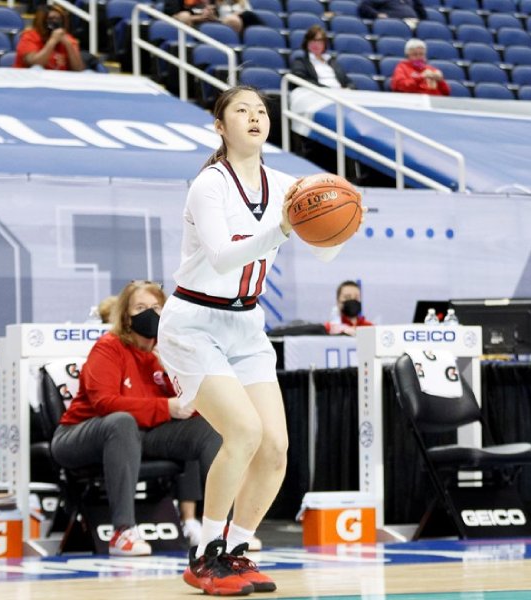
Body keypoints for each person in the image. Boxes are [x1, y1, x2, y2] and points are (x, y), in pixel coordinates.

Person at [157, 85, 353, 595]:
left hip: (245, 325)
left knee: (275, 447)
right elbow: (223, 257)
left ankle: (237, 550)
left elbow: (327, 252)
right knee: (242, 432)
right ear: (220, 127)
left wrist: (342, 220)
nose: (254, 117)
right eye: (241, 110)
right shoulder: (209, 185)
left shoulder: (288, 184)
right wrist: (286, 226)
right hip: (193, 322)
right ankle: (205, 555)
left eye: (261, 111)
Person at [50, 280, 222, 556]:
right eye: (141, 307)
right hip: (78, 435)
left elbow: (192, 407)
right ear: (126, 316)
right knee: (121, 422)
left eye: (156, 307)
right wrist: (165, 408)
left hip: (140, 435)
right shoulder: (109, 347)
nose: (150, 314)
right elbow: (105, 403)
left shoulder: (166, 353)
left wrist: (171, 373)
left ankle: (218, 530)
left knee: (209, 429)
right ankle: (123, 532)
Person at [14, 5, 84, 71]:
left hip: (60, 80)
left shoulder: (67, 38)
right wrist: (53, 41)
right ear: (42, 21)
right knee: (37, 68)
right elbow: (36, 64)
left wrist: (68, 44)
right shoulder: (29, 36)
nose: (55, 21)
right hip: (32, 79)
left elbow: (78, 68)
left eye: (59, 18)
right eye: (51, 18)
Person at [290, 26, 355, 90]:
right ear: (307, 43)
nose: (316, 44)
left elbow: (348, 81)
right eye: (313, 41)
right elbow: (300, 80)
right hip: (318, 94)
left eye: (320, 41)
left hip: (341, 95)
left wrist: (349, 88)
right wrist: (328, 89)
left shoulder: (332, 62)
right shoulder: (300, 62)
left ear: (324, 44)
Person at [357, 0, 426, 22]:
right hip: (396, 23)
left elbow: (422, 13)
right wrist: (377, 14)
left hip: (415, 23)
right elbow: (364, 7)